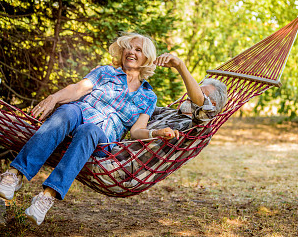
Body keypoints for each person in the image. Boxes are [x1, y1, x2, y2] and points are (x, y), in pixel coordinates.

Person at [0, 32, 171, 225]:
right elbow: (77, 89)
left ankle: (46, 196)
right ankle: (15, 174)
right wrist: (54, 97)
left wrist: (155, 133)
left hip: (101, 136)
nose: (131, 52)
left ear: (147, 58)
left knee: (90, 130)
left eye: (138, 49)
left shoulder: (148, 96)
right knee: (68, 111)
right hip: (80, 115)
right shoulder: (105, 72)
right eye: (128, 47)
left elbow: (137, 130)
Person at [88, 53, 228, 192]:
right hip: (108, 153)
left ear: (212, 105)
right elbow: (135, 104)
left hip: (120, 173)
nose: (190, 95)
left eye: (199, 93)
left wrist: (180, 65)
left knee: (72, 148)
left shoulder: (200, 130)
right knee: (75, 125)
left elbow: (201, 105)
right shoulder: (170, 113)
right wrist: (104, 80)